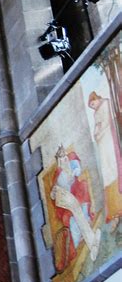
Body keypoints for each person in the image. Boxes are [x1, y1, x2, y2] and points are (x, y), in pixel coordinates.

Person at [50, 146, 101, 272]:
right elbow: (54, 194)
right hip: (69, 201)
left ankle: (92, 242)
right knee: (76, 217)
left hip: (76, 195)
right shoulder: (59, 174)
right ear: (59, 160)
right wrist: (55, 191)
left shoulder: (72, 162)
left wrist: (72, 173)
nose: (64, 159)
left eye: (64, 156)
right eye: (61, 158)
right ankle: (92, 242)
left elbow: (77, 170)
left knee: (80, 216)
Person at [88, 91, 122, 231]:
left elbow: (106, 123)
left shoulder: (106, 104)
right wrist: (97, 133)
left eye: (93, 104)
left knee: (114, 169)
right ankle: (115, 213)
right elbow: (96, 131)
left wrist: (99, 132)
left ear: (96, 99)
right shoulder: (96, 113)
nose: (93, 107)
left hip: (109, 142)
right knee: (108, 176)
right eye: (90, 106)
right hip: (103, 146)